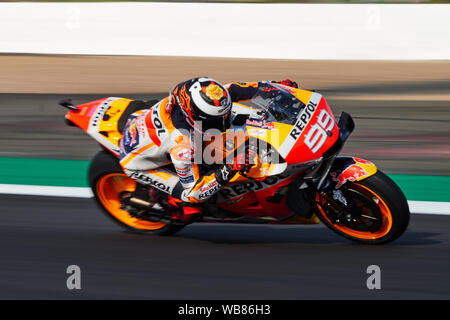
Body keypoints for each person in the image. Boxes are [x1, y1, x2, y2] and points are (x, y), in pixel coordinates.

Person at [119, 77, 298, 219]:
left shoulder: (198, 94)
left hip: (149, 126)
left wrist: (275, 88)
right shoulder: (182, 146)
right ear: (193, 117)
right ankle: (171, 207)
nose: (224, 121)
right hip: (141, 164)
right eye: (215, 120)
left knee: (240, 126)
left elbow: (234, 89)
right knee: (191, 206)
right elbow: (194, 191)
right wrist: (229, 169)